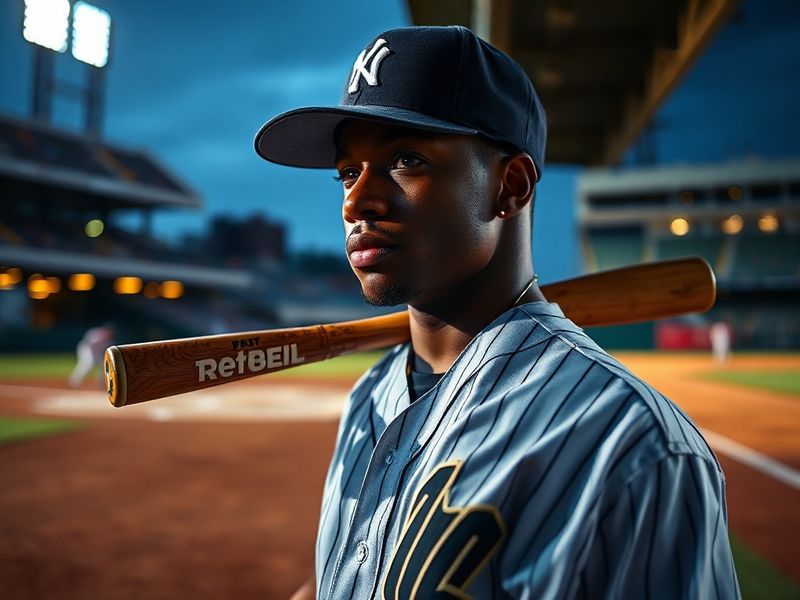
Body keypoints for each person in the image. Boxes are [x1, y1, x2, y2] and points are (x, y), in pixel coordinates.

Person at [255, 26, 740, 599]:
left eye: (405, 159)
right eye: (347, 172)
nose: (357, 201)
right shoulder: (369, 397)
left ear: (510, 186)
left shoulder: (632, 447)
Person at [68, 323, 115, 388]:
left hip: (96, 352)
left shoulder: (109, 340)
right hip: (86, 349)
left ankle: (102, 383)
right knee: (87, 364)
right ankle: (75, 381)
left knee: (104, 365)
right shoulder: (95, 333)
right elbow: (89, 344)